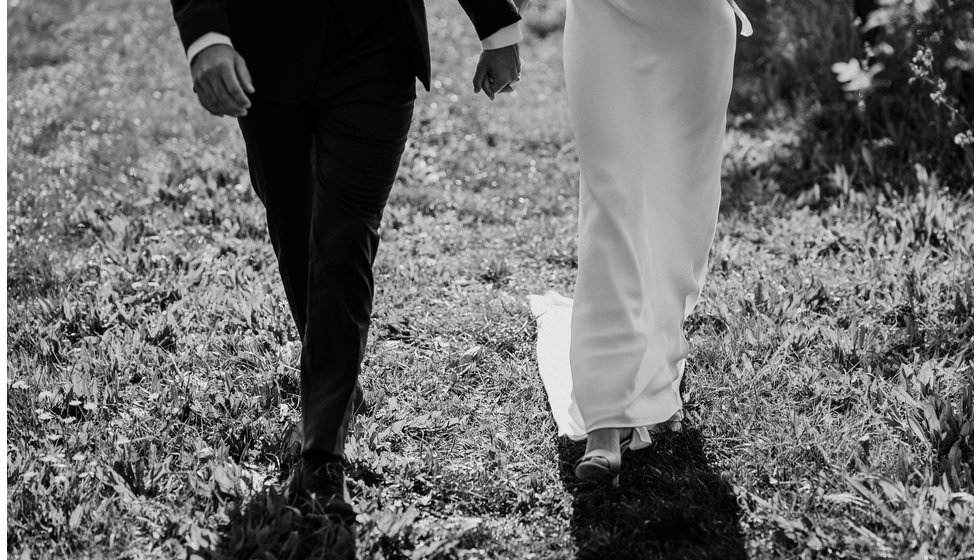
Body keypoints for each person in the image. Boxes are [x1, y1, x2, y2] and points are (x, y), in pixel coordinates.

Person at [168, 0, 524, 517]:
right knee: (295, 230)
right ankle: (333, 378)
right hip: (266, 50)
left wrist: (495, 24)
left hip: (376, 45)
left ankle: (322, 453)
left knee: (343, 240)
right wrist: (206, 36)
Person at [531, 0, 751, 485]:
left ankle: (655, 363)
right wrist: (500, 26)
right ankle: (605, 421)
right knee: (612, 196)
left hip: (695, 22)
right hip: (603, 15)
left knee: (680, 209)